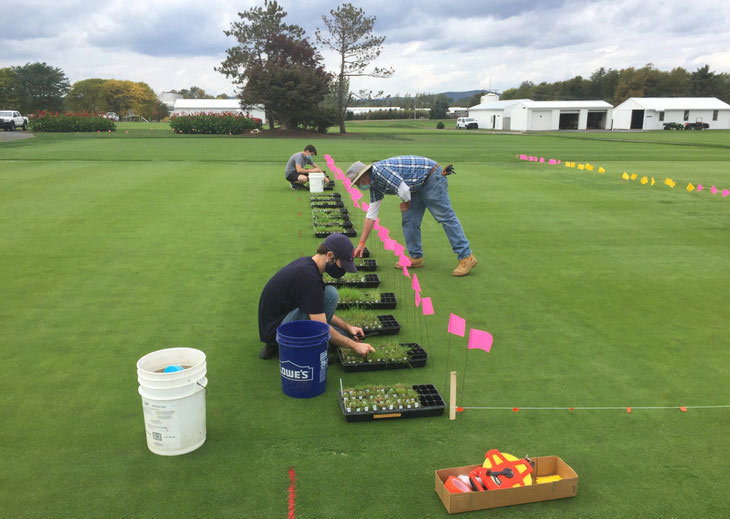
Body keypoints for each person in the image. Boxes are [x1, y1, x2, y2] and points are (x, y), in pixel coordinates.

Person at [345, 156, 477, 277]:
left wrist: (406, 204)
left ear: (363, 177)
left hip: (431, 177)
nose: (358, 186)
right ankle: (416, 257)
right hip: (416, 186)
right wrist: (362, 243)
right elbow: (371, 215)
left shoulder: (380, 171)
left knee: (445, 217)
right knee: (409, 219)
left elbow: (403, 190)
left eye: (357, 183)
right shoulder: (374, 185)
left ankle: (466, 256)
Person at [257, 233, 376, 359]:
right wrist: (354, 346)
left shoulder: (309, 264)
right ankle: (286, 346)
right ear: (330, 255)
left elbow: (316, 308)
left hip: (281, 319)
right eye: (343, 265)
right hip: (276, 331)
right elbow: (321, 326)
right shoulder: (309, 279)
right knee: (331, 304)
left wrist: (348, 327)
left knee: (330, 295)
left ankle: (307, 342)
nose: (343, 270)